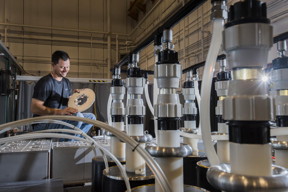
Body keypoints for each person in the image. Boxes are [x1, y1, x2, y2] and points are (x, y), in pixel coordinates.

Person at [31, 50, 96, 135]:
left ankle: (75, 140)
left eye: (68, 67)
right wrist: (60, 112)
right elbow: (35, 108)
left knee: (91, 117)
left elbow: (68, 103)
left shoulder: (66, 82)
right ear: (53, 65)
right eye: (62, 67)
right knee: (78, 117)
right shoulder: (45, 83)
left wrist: (76, 96)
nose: (65, 70)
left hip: (60, 119)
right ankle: (65, 145)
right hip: (43, 123)